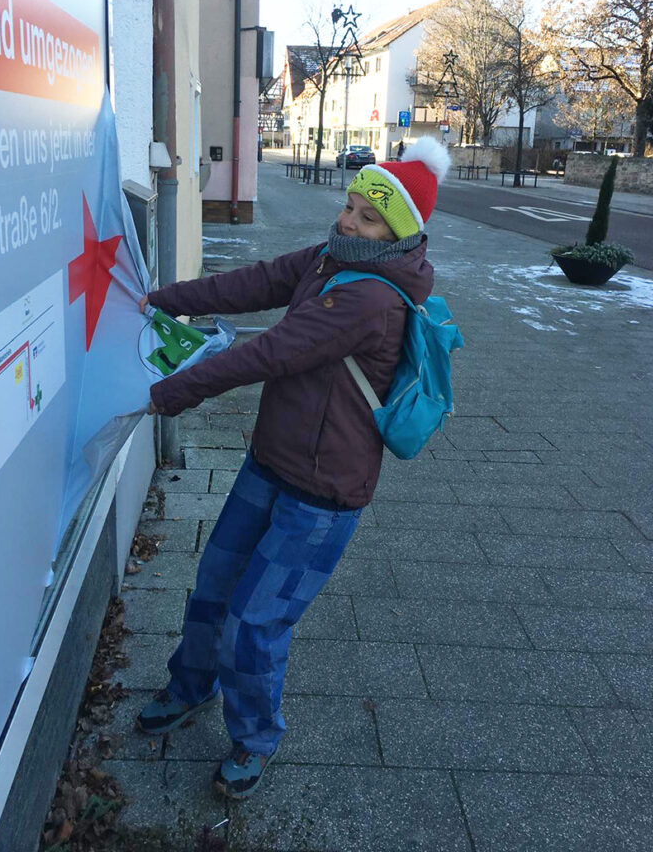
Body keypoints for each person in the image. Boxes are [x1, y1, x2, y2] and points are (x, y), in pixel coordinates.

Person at [135, 137, 449, 799]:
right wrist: (169, 298)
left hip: (324, 495)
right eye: (352, 205)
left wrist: (170, 392)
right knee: (214, 584)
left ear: (398, 232)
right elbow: (250, 283)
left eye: (368, 216)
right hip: (271, 462)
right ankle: (190, 686)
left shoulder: (372, 299)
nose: (348, 220)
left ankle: (253, 739)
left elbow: (270, 353)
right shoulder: (329, 259)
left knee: (256, 621)